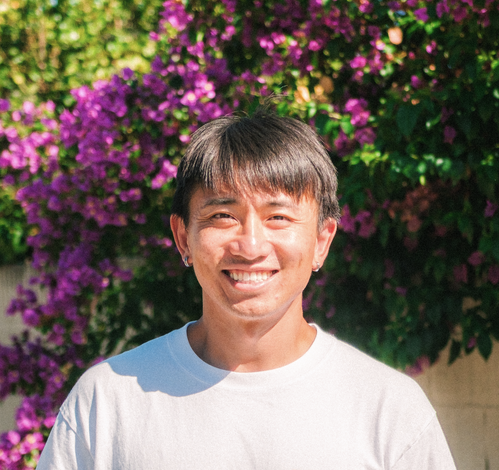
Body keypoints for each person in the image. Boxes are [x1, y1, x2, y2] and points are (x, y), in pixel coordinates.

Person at [37, 109, 456, 469]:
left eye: (279, 217)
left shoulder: (389, 410)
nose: (251, 246)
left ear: (322, 241)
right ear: (183, 238)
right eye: (223, 215)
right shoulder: (106, 403)